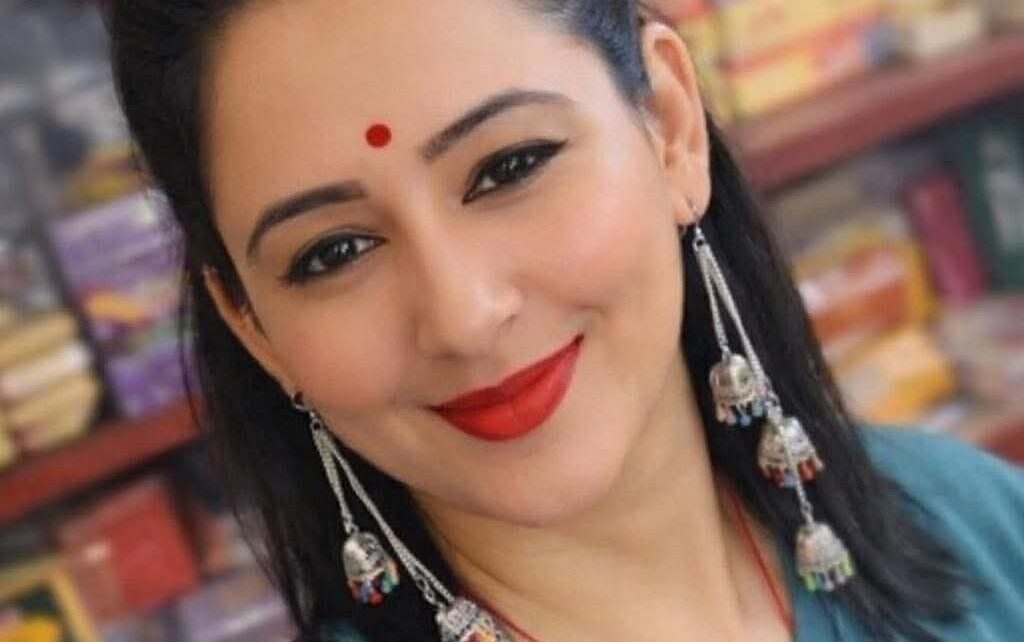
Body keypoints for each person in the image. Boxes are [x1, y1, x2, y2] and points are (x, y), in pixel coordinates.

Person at [106, 1, 1024, 641]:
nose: (464, 315)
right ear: (253, 327)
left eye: (508, 167)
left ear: (670, 126)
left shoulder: (975, 526)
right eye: (332, 252)